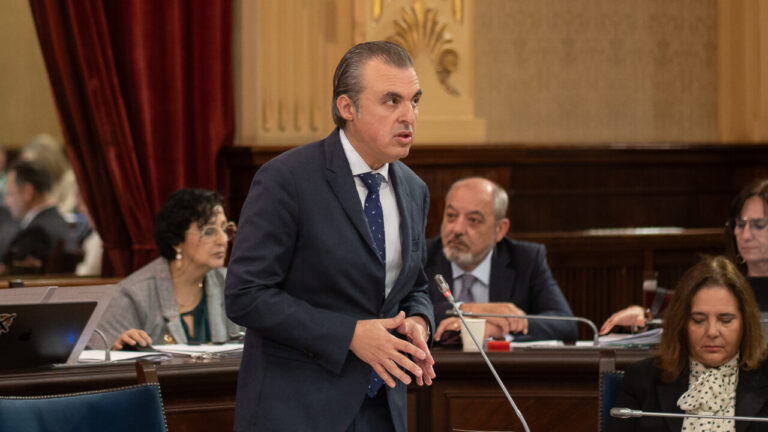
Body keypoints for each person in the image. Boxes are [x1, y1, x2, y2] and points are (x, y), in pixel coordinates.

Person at [225, 41, 435, 432]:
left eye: (415, 101)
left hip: (383, 409)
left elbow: (414, 287)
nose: (409, 116)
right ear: (347, 107)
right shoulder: (287, 179)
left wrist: (419, 322)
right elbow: (245, 295)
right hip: (297, 411)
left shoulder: (414, 189)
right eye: (391, 101)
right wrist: (349, 335)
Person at [606, 256, 768, 432]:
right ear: (682, 323)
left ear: (745, 323)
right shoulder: (642, 378)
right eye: (698, 320)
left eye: (726, 320)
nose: (712, 332)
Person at [600, 178, 768, 335]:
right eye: (740, 224)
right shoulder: (715, 282)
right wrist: (641, 316)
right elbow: (667, 319)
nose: (746, 235)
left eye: (759, 225)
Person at [426, 177, 577, 343]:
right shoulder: (421, 257)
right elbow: (407, 314)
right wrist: (467, 309)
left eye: (473, 220)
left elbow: (565, 324)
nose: (457, 229)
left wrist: (495, 330)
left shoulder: (525, 259)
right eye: (451, 216)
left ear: (500, 229)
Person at [94, 188, 241, 349]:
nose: (223, 240)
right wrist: (118, 349)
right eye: (209, 231)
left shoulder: (232, 284)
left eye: (224, 229)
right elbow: (98, 352)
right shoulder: (133, 294)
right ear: (177, 239)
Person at [2, 159, 70, 274]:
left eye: (9, 193)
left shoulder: (36, 233)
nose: (6, 202)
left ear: (27, 192)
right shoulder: (61, 222)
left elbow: (6, 271)